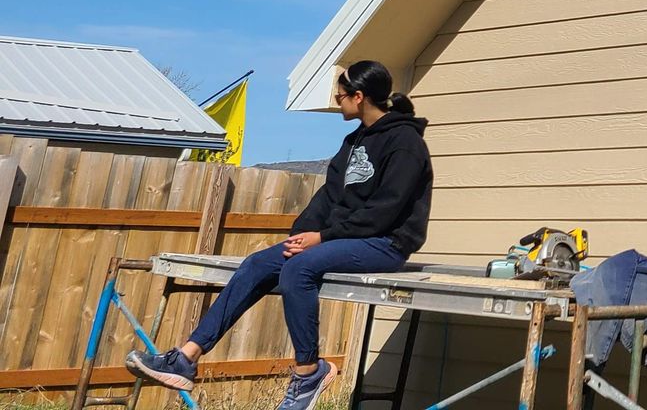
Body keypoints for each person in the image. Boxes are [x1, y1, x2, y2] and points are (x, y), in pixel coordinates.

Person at [127, 61, 433, 410]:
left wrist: (322, 238)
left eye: (340, 94)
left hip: (386, 243)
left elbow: (386, 211)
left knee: (299, 269)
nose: (337, 100)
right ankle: (186, 357)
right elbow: (328, 198)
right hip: (344, 238)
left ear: (359, 97)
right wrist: (301, 235)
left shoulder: (405, 143)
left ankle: (308, 372)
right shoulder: (354, 140)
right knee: (259, 263)